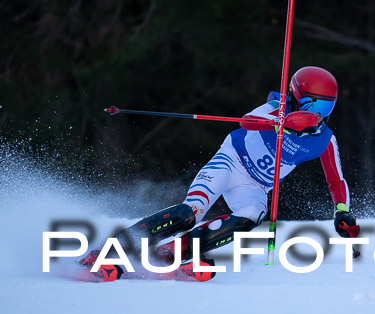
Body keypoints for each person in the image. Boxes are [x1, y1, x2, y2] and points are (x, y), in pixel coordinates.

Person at [80, 66, 360, 281]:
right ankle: (108, 250)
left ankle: (177, 253)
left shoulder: (325, 139)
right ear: (299, 98)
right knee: (189, 212)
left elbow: (336, 180)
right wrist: (282, 123)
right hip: (230, 163)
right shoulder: (277, 107)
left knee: (252, 214)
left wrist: (342, 211)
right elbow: (247, 122)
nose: (321, 115)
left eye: (328, 107)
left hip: (254, 186)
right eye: (316, 106)